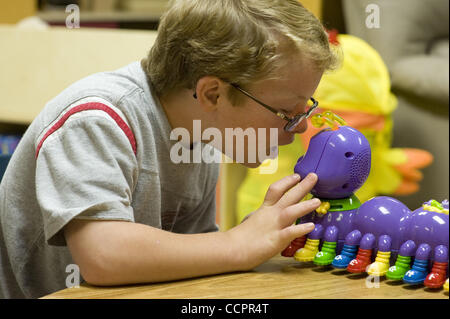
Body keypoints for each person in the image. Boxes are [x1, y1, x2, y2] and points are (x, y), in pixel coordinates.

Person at [0, 0, 338, 298]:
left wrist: (262, 236)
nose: (302, 126)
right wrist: (238, 243)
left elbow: (189, 265)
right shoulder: (96, 119)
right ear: (212, 95)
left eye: (304, 109)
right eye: (287, 112)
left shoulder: (202, 135)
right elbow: (103, 256)